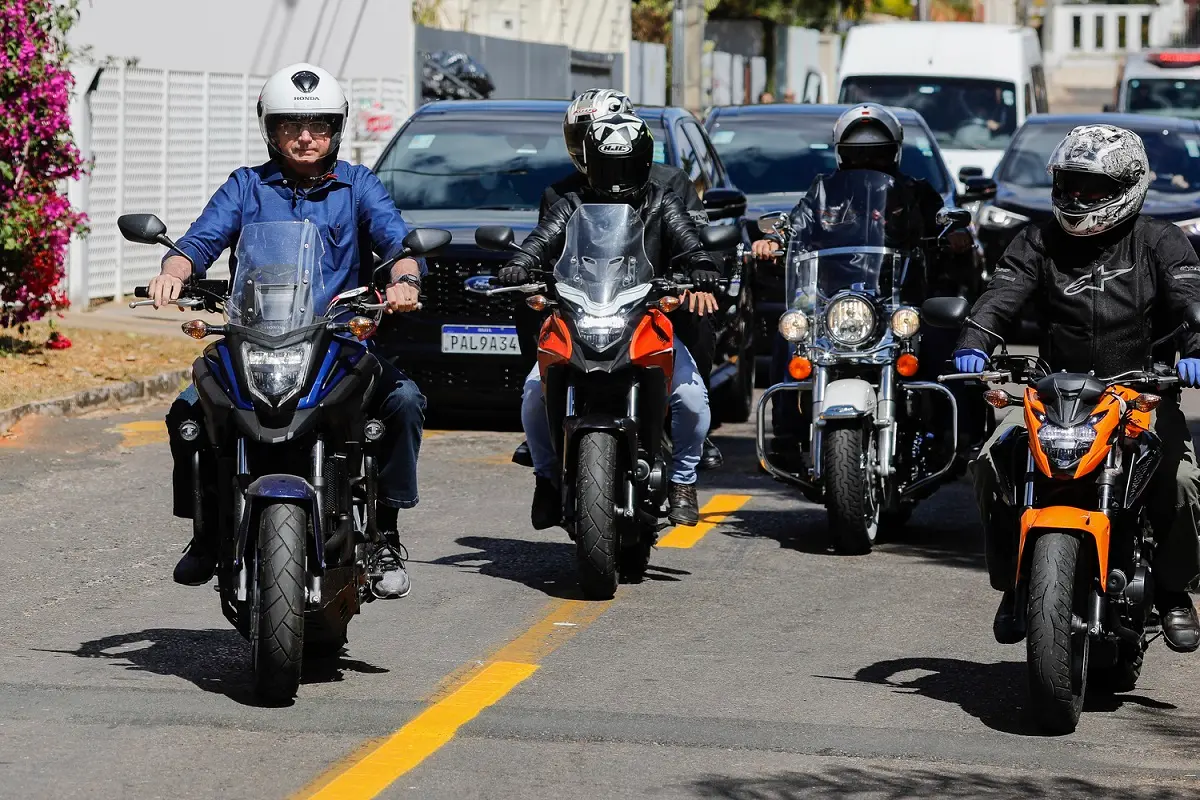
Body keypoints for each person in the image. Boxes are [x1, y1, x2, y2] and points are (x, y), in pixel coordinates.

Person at [150, 63, 425, 599]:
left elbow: (397, 243)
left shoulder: (358, 185)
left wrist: (405, 279)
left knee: (405, 403)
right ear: (269, 129)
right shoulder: (246, 186)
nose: (304, 137)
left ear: (336, 130)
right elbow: (201, 241)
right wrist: (172, 272)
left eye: (318, 125)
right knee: (187, 412)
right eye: (290, 125)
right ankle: (205, 533)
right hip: (254, 336)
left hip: (338, 342)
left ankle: (386, 533)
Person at [953, 123, 1200, 652]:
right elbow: (1003, 292)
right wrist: (975, 341)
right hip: (1052, 391)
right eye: (1070, 185)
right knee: (991, 461)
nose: (1079, 198)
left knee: (1179, 483)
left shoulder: (1161, 240)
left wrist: (1196, 352)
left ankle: (1175, 592)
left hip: (1140, 391)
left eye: (1093, 188)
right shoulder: (1038, 239)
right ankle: (1018, 581)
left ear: (1128, 186)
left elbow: (1190, 298)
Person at [499, 112, 721, 528]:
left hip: (645, 315)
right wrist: (521, 263)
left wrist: (701, 265)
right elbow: (540, 240)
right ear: (589, 163)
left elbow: (689, 242)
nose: (616, 177)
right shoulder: (571, 203)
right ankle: (546, 479)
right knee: (533, 392)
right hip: (581, 312)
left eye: (625, 165)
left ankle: (683, 481)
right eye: (607, 165)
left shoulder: (662, 201)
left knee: (691, 399)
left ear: (643, 161)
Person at [751, 103, 979, 459]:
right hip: (831, 300)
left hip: (900, 300)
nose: (867, 164)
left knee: (945, 341)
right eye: (858, 157)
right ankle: (786, 431)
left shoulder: (917, 193)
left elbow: (941, 225)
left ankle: (960, 434)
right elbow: (798, 225)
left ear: (894, 154)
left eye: (877, 156)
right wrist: (775, 241)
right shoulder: (823, 191)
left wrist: (954, 235)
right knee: (789, 334)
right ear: (842, 156)